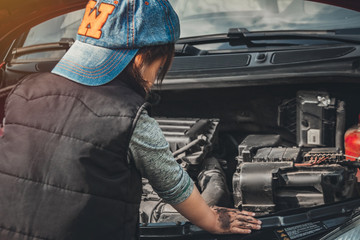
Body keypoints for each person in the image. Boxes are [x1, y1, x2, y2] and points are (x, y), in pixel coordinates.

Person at [0, 0, 262, 239]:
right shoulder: (128, 116)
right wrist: (211, 219)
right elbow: (171, 182)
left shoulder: (23, 92)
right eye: (160, 67)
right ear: (141, 59)